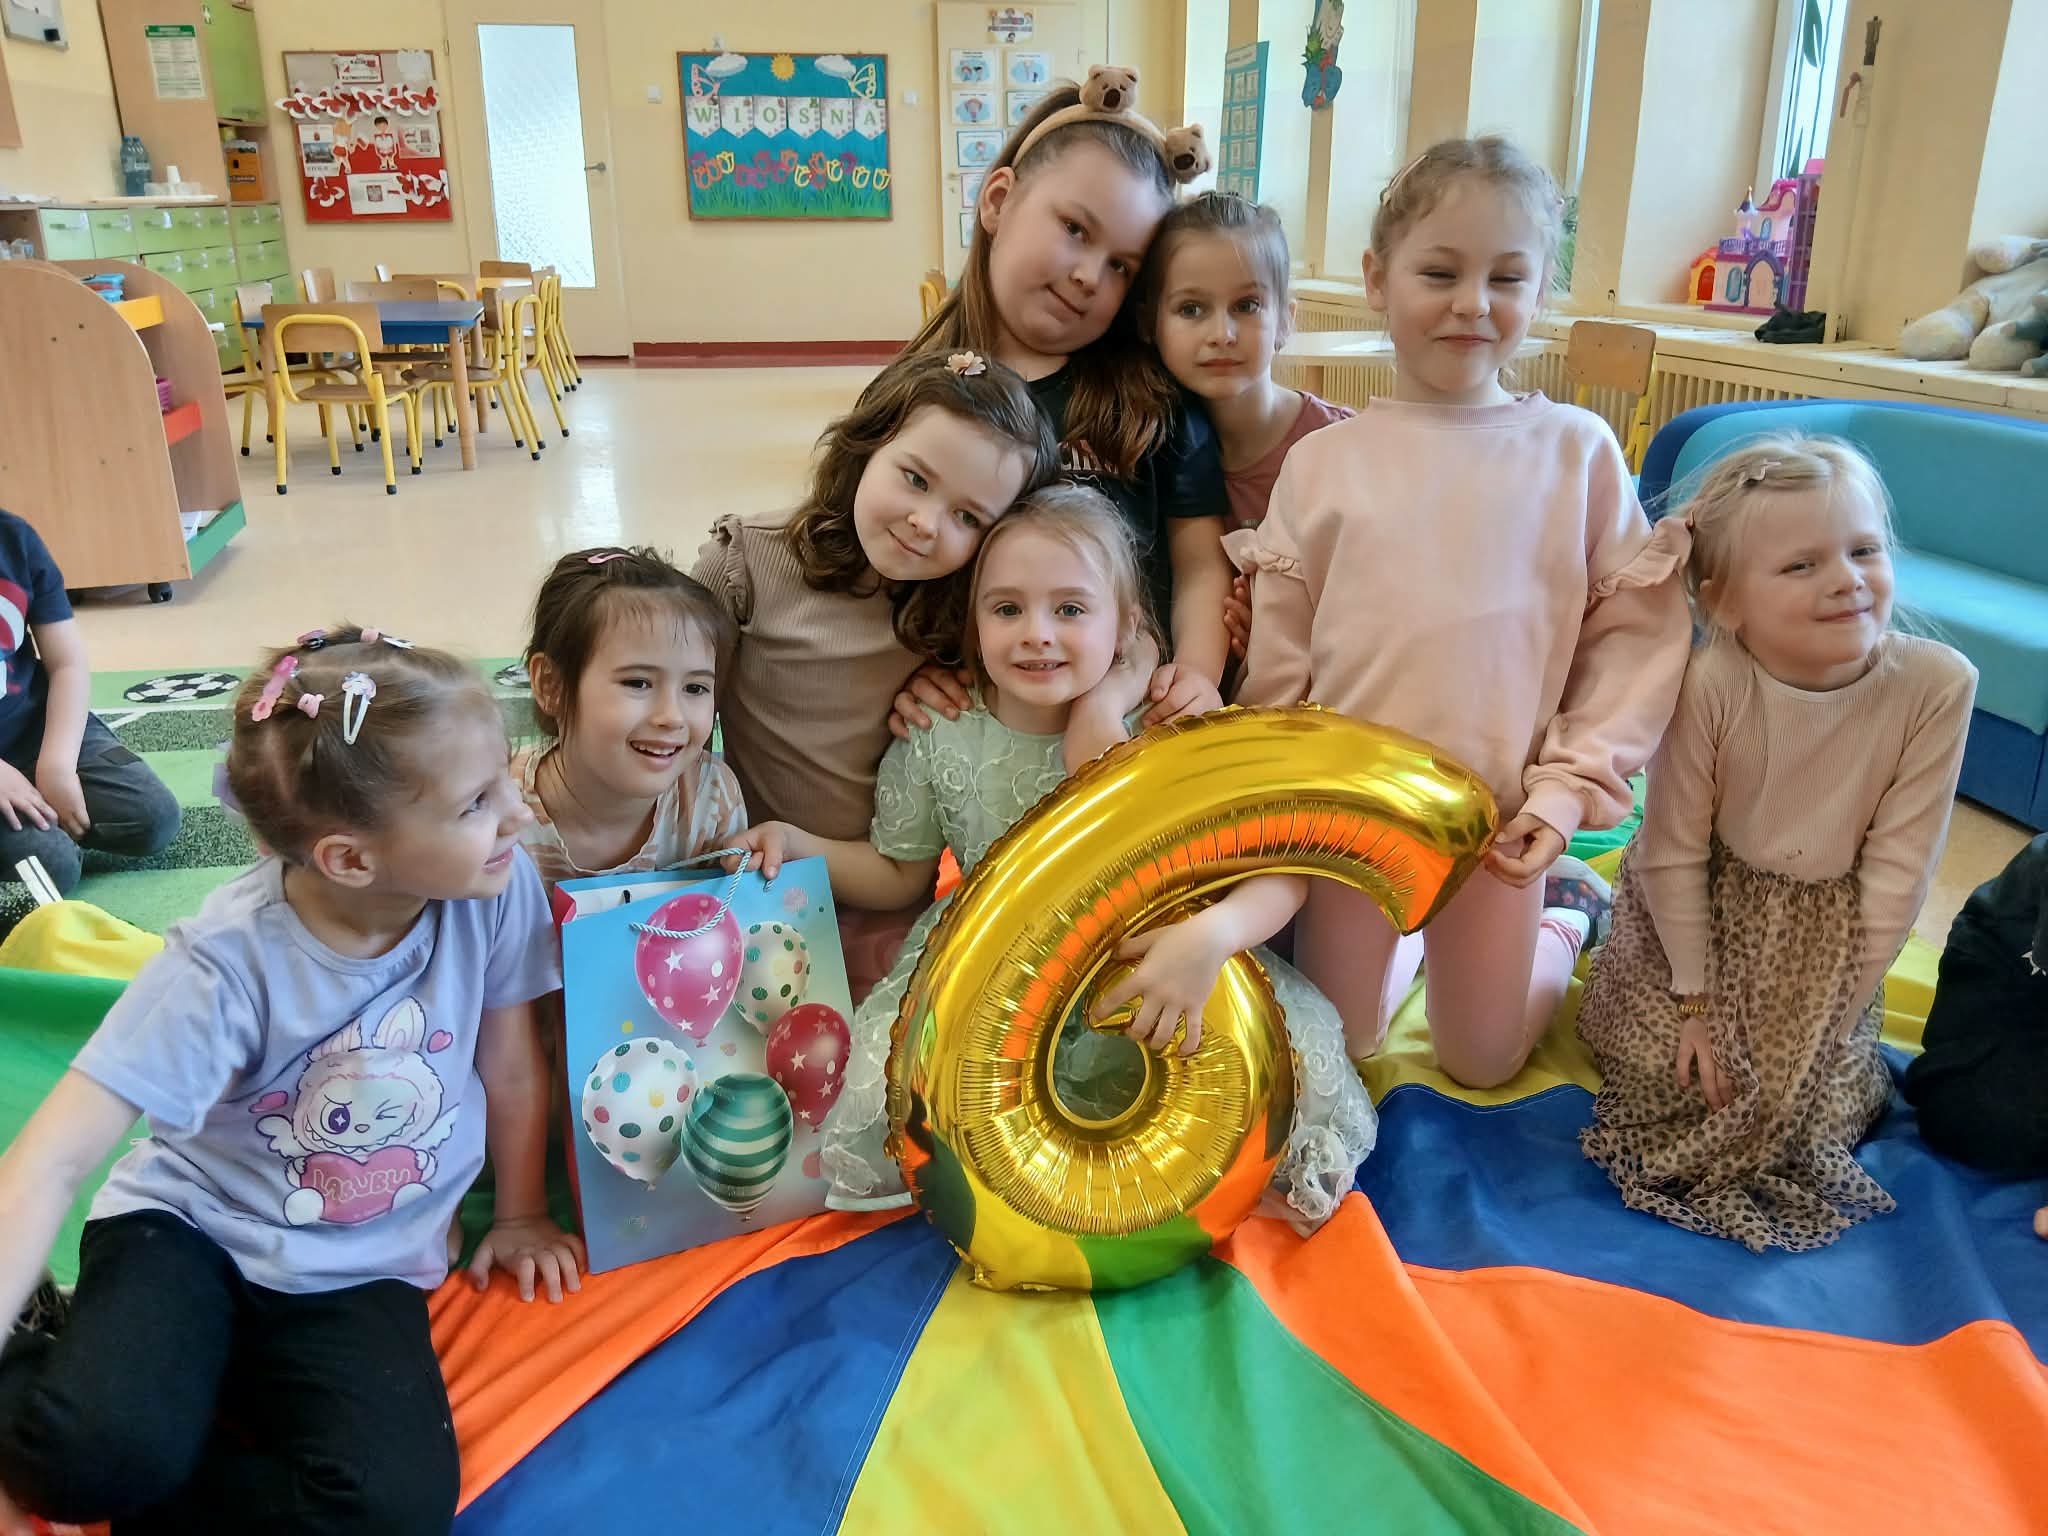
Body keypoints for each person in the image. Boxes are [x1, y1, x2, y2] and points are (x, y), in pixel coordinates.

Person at [0, 630, 581, 1534]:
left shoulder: (496, 892)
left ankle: (154, 1444)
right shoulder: (223, 964)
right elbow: (52, 1158)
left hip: (362, 1267)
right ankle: (35, 1348)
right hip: (191, 1233)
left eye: (503, 774)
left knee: (391, 1513)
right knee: (88, 1460)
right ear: (351, 859)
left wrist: (519, 1216)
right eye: (477, 802)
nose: (519, 812)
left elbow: (509, 1066)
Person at [735, 485, 1374, 1233]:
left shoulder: (1167, 724)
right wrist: (796, 843)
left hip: (1152, 965)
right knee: (901, 1083)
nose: (1036, 634)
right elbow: (898, 872)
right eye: (1007, 609)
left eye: (1070, 609)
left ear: (1125, 624)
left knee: (1260, 1081)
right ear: (975, 624)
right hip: (990, 979)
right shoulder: (938, 732)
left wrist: (1216, 934)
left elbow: (1282, 869)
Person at [1235, 136, 1692, 1084]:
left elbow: (1632, 644)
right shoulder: (1323, 463)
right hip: (1353, 824)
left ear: (1540, 291)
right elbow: (1282, 660)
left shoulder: (1576, 451)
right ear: (1377, 278)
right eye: (1440, 273)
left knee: (1483, 1062)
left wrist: (1567, 791)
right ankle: (1413, 950)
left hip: (1501, 827)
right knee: (1341, 1049)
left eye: (1507, 278)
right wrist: (1280, 802)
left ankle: (1563, 919)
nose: (1473, 303)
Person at [1579, 437, 1977, 1252]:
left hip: (1825, 938)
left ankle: (1585, 918)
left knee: (1806, 1116)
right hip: (1705, 914)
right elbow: (1674, 851)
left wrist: (1831, 1020)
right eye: (1801, 565)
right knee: (1679, 1085)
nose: (1846, 579)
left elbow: (1900, 872)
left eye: (1864, 550)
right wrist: (1695, 1005)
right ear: (1724, 602)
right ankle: (1570, 917)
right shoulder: (1710, 683)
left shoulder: (1937, 686)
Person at [692, 347, 1055, 998]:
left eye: (968, 517)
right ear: (866, 444)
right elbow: (672, 714)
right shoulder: (744, 563)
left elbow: (1115, 630)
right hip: (741, 876)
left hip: (882, 893)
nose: (925, 523)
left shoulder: (968, 614)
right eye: (915, 478)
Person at [0, 508, 180, 895]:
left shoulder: (14, 538)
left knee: (154, 818)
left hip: (31, 728)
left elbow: (67, 663)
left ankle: (41, 821)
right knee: (53, 867)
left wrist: (57, 766)